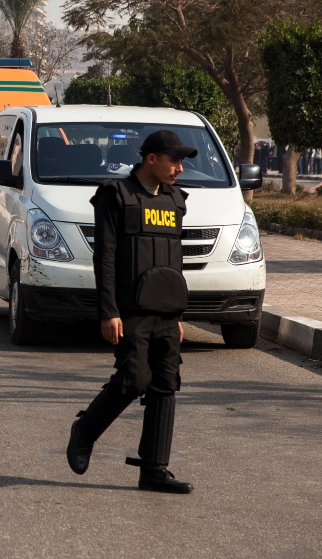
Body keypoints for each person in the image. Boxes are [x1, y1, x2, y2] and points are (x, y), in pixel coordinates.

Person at [65, 129, 196, 494]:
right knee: (133, 380)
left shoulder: (175, 200)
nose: (179, 169)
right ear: (150, 159)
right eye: (173, 160)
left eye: (181, 162)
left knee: (166, 384)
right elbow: (104, 257)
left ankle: (154, 469)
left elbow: (174, 260)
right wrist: (109, 311)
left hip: (166, 311)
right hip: (129, 310)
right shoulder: (115, 196)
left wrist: (179, 314)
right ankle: (84, 432)